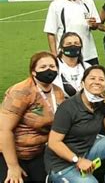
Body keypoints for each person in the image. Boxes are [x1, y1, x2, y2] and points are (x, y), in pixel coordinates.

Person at [45, 65, 105, 182]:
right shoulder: (68, 107)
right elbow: (53, 142)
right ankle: (55, 179)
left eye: (101, 79)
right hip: (62, 164)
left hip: (86, 151)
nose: (97, 82)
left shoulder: (100, 103)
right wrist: (77, 160)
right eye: (92, 78)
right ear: (82, 83)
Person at [0, 52, 65, 182]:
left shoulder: (58, 93)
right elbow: (3, 130)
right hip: (10, 153)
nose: (49, 70)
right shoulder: (21, 92)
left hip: (38, 152)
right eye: (43, 67)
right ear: (33, 72)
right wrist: (13, 167)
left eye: (52, 66)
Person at [44, 0, 101, 65]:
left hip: (89, 53)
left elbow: (95, 25)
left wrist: (94, 25)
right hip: (66, 54)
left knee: (93, 77)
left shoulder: (88, 1)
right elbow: (51, 32)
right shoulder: (56, 5)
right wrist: (54, 54)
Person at [53, 32, 91, 98]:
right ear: (61, 48)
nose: (73, 46)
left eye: (76, 43)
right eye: (69, 44)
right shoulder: (54, 66)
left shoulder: (88, 67)